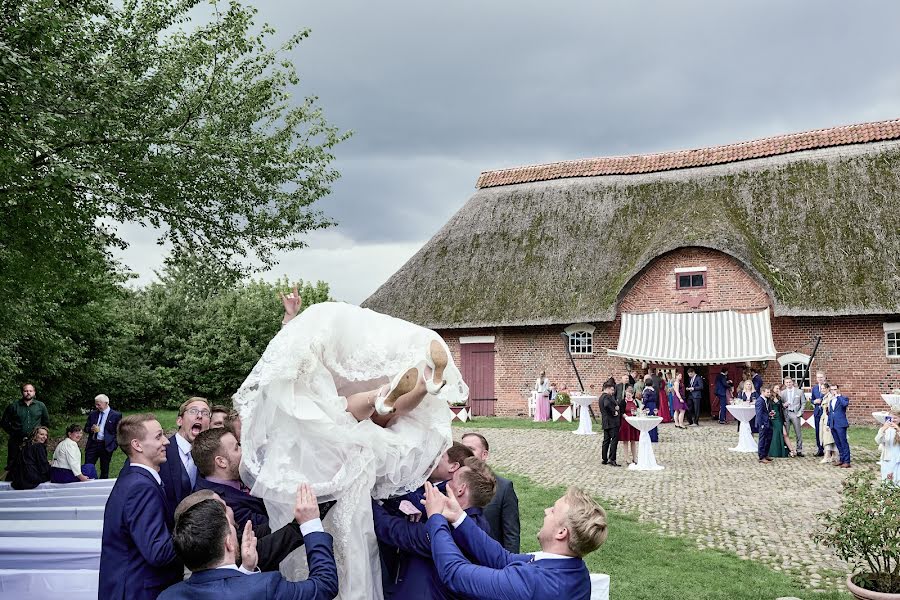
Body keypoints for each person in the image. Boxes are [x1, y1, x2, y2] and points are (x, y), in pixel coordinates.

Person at [234, 297, 467, 600]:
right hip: (356, 455)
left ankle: (382, 395)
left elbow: (291, 353)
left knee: (351, 413)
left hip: (336, 441)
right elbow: (296, 350)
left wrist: (290, 320)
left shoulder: (301, 407)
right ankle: (421, 387)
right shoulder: (317, 389)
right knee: (383, 417)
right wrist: (290, 319)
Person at [423, 483, 607, 600]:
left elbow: (454, 573)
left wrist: (435, 519)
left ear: (561, 532)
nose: (546, 510)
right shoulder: (575, 569)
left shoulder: (532, 582)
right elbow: (503, 559)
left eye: (553, 511)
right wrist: (458, 517)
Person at [159, 483, 339, 600]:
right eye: (231, 527)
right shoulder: (265, 587)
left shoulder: (167, 596)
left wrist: (247, 570)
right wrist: (311, 524)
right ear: (229, 543)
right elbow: (324, 585)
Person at [372, 457, 496, 599]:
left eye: (451, 481)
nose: (446, 484)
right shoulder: (477, 523)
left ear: (461, 490)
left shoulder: (450, 530)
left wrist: (361, 498)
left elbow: (393, 530)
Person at [100, 413, 182, 599]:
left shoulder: (134, 478)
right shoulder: (141, 487)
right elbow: (158, 552)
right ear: (137, 445)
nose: (166, 442)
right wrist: (198, 530)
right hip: (138, 591)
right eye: (159, 436)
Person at [461, 433, 520, 553]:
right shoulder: (451, 484)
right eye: (463, 449)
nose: (465, 453)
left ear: (484, 455)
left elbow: (511, 535)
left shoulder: (504, 488)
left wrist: (510, 567)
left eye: (471, 449)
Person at [159, 396, 211, 512]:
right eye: (193, 411)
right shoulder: (160, 451)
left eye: (205, 413)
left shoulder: (210, 456)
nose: (199, 416)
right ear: (179, 420)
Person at [2, 383, 49, 478]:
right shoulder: (14, 406)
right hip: (16, 440)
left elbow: (45, 422)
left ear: (34, 392)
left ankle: (36, 480)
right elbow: (4, 422)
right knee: (13, 463)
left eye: (30, 391)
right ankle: (11, 484)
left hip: (34, 440)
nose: (28, 393)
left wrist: (40, 435)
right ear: (22, 392)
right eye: (26, 391)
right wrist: (13, 432)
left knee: (35, 461)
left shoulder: (40, 406)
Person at [84, 393, 122, 479]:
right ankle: (88, 485)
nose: (96, 406)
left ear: (106, 403)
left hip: (106, 445)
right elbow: (86, 428)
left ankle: (102, 487)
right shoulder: (93, 414)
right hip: (93, 444)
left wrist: (114, 444)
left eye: (98, 404)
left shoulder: (116, 415)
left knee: (104, 468)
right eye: (96, 404)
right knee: (88, 467)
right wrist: (91, 429)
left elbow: (119, 432)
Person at [9, 425, 51, 489]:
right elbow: (43, 467)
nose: (44, 437)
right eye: (42, 434)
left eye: (46, 435)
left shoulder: (26, 444)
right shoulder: (39, 447)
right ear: (35, 435)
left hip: (20, 477)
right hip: (31, 478)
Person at [827, 383, 851, 468]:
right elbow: (830, 413)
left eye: (835, 389)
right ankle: (841, 459)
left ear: (838, 389)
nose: (833, 391)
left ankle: (847, 461)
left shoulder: (843, 398)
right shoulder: (831, 400)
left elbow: (845, 404)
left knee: (843, 442)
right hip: (833, 424)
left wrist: (838, 396)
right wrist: (828, 424)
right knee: (837, 442)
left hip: (840, 423)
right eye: (832, 390)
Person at [780, 378, 805, 457]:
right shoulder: (782, 393)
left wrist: (800, 413)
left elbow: (803, 403)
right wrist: (784, 405)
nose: (788, 384)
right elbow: (781, 404)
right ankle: (787, 449)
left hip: (795, 413)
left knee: (798, 432)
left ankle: (799, 450)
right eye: (787, 382)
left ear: (792, 382)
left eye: (790, 382)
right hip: (786, 413)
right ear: (785, 383)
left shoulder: (799, 391)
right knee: (785, 433)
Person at [600, 383, 622, 467]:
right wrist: (614, 411)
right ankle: (612, 459)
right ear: (608, 389)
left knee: (606, 440)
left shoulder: (601, 397)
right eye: (612, 390)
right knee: (614, 440)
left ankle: (604, 458)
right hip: (612, 422)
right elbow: (607, 405)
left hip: (605, 421)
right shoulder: (606, 396)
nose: (613, 392)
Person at [876, 409, 900, 482]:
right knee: (887, 480)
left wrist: (898, 430)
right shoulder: (885, 429)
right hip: (887, 459)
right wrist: (883, 429)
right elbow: (878, 440)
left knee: (897, 479)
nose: (893, 420)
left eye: (895, 418)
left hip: (898, 459)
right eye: (890, 418)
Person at [617, 387, 639, 464]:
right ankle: (626, 458)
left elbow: (638, 410)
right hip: (625, 422)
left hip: (633, 422)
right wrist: (627, 417)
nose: (628, 396)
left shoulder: (635, 401)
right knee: (625, 441)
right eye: (627, 394)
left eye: (629, 395)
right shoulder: (623, 402)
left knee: (633, 441)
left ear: (632, 395)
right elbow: (621, 411)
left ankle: (634, 457)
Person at [766, 387, 790, 458]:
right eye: (776, 388)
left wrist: (784, 420)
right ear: (772, 389)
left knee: (784, 433)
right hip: (773, 418)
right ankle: (774, 451)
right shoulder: (769, 398)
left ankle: (786, 450)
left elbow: (781, 409)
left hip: (779, 418)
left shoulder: (779, 397)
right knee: (776, 434)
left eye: (778, 388)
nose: (777, 389)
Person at [810, 371, 827, 457]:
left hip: (825, 412)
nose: (819, 379)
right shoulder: (815, 388)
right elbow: (811, 399)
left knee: (826, 431)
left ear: (824, 377)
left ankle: (827, 449)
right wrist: (814, 401)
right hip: (817, 412)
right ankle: (820, 449)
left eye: (821, 377)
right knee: (817, 431)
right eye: (818, 377)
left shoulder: (828, 387)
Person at [756, 388, 774, 464]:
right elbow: (759, 414)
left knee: (768, 439)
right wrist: (761, 424)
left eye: (769, 392)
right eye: (767, 392)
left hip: (767, 422)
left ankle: (765, 454)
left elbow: (764, 412)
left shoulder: (766, 400)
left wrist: (769, 414)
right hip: (763, 423)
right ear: (763, 392)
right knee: (762, 440)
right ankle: (761, 456)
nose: (769, 393)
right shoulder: (759, 401)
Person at [641, 377, 659, 443]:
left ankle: (650, 436)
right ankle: (654, 436)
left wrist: (641, 407)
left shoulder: (646, 390)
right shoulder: (654, 390)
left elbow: (645, 399)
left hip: (648, 406)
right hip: (653, 405)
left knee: (648, 421)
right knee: (653, 421)